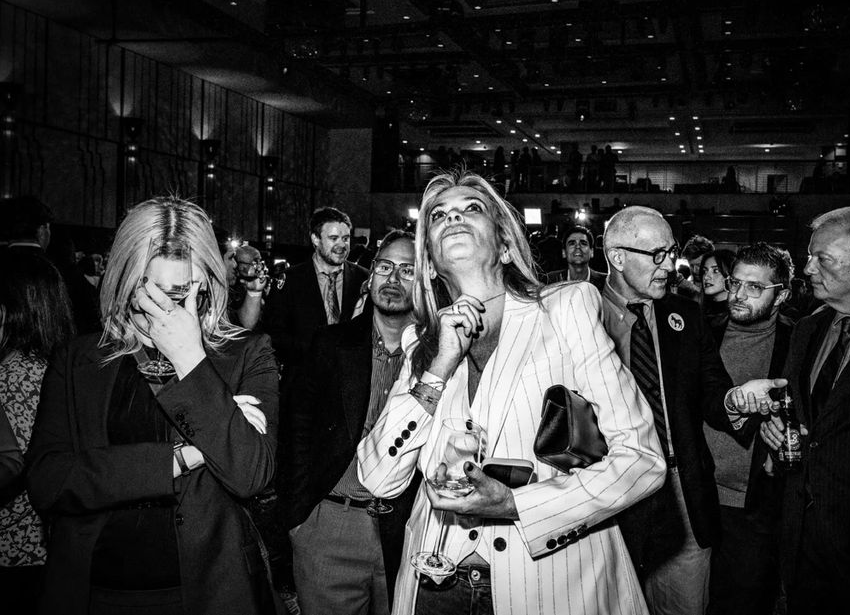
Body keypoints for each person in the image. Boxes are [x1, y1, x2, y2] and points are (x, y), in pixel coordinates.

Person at [358, 171, 667, 615]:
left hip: (549, 584)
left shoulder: (565, 310)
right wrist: (441, 365)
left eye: (471, 209)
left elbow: (641, 460)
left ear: (504, 246)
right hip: (435, 584)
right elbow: (379, 479)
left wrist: (515, 504)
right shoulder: (421, 344)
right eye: (440, 215)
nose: (454, 218)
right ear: (428, 261)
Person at [25, 197, 283, 615]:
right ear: (127, 281)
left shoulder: (246, 353)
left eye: (183, 293)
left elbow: (251, 473)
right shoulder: (79, 358)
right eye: (152, 292)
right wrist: (183, 458)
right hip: (96, 590)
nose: (166, 309)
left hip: (212, 591)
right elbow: (49, 481)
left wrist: (190, 359)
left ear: (208, 285)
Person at [600, 207, 784, 615]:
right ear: (616, 257)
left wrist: (735, 401)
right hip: (605, 493)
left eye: (673, 252)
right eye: (657, 254)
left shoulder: (684, 314)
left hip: (681, 492)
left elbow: (712, 391)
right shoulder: (577, 314)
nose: (670, 265)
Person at [757, 206, 850, 615]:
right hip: (800, 536)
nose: (807, 268)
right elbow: (800, 415)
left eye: (823, 259)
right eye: (809, 255)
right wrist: (776, 432)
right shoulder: (807, 329)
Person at [282, 230, 421, 615]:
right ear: (370, 273)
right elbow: (295, 433)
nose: (392, 279)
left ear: (426, 280)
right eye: (385, 267)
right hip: (330, 527)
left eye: (408, 270)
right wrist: (299, 522)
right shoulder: (328, 344)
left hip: (407, 532)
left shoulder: (439, 357)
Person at [704, 243, 794, 615]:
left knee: (743, 602)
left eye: (754, 287)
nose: (738, 295)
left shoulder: (798, 339)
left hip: (753, 505)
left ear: (781, 295)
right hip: (696, 500)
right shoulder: (703, 330)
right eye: (734, 282)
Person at [0, 250, 76, 615]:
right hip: (38, 552)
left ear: (4, 304)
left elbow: (10, 462)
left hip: (7, 554)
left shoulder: (14, 378)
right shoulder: (54, 363)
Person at [263, 207, 368, 372]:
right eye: (333, 238)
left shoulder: (364, 279)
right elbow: (274, 334)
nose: (342, 245)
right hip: (303, 381)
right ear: (315, 239)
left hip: (350, 378)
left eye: (346, 238)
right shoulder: (290, 280)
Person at [544, 225, 607, 291]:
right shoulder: (550, 281)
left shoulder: (606, 283)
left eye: (583, 243)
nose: (578, 247)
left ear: (591, 252)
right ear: (564, 253)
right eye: (572, 243)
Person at [700, 249, 736, 343]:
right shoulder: (701, 310)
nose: (706, 277)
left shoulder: (736, 315)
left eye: (715, 271)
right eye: (705, 271)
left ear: (730, 275)